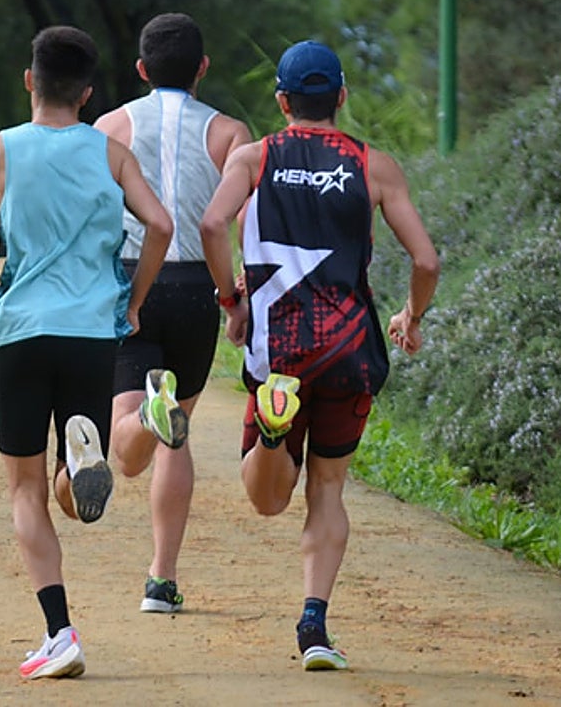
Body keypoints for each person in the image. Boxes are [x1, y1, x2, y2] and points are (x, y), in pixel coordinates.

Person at [0, 25, 173, 680]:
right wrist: (133, 300)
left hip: (22, 334)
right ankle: (81, 466)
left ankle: (58, 632)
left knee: (24, 491)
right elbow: (160, 224)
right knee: (71, 480)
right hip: (93, 333)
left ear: (29, 81)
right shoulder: (110, 153)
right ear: (89, 93)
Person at [199, 40, 439, 671]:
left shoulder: (254, 158)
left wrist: (231, 300)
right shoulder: (373, 165)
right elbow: (426, 260)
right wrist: (411, 317)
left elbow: (211, 225)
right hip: (350, 347)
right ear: (341, 97)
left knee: (267, 497)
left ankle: (275, 435)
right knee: (328, 488)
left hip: (277, 349)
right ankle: (314, 624)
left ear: (282, 102)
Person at [92, 13, 252, 613]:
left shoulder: (111, 126)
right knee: (175, 442)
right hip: (195, 288)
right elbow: (242, 223)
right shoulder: (230, 134)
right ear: (203, 68)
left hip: (133, 279)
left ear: (140, 70)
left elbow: (95, 214)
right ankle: (161, 579)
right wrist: (237, 297)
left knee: (126, 448)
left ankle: (146, 416)